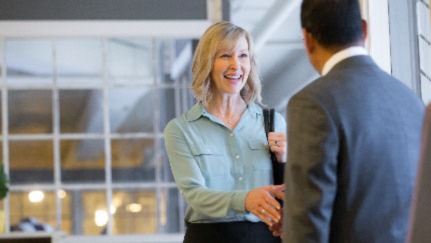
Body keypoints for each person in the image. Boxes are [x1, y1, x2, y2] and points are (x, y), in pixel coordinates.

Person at [282, 0, 426, 242]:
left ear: (307, 40)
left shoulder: (312, 103)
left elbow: (306, 227)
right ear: (364, 29)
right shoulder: (410, 100)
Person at [164, 21, 286, 243]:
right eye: (225, 56)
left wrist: (285, 162)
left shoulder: (274, 122)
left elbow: (292, 192)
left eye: (243, 56)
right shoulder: (181, 130)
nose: (236, 65)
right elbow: (195, 194)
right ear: (207, 63)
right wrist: (245, 200)